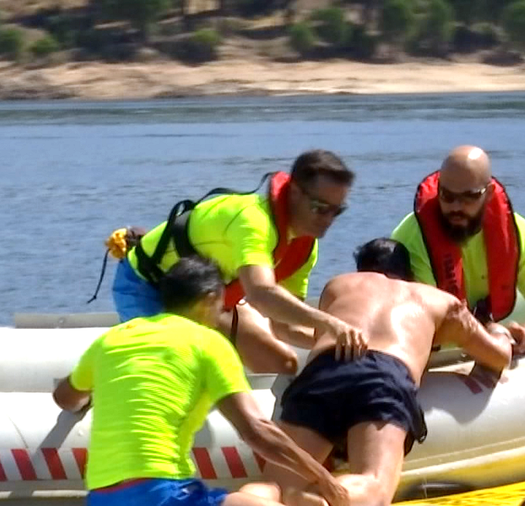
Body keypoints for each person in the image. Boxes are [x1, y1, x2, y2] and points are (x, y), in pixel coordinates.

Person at [53, 256, 347, 506]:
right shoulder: (209, 344)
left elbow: (65, 397)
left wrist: (91, 396)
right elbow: (257, 431)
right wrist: (323, 477)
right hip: (160, 503)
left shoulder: (112, 339)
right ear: (210, 298)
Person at [257, 238, 513, 506]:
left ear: (360, 271)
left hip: (325, 368)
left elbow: (322, 338)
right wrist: (500, 333)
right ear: (410, 275)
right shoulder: (440, 301)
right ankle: (328, 497)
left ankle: (249, 503)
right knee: (375, 483)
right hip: (384, 374)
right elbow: (497, 357)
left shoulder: (339, 285)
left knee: (275, 484)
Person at [111, 149, 368, 375]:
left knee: (284, 364)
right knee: (183, 371)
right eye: (320, 207)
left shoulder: (304, 247)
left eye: (337, 210)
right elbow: (260, 293)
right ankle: (86, 389)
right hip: (148, 286)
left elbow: (284, 326)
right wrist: (330, 323)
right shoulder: (253, 222)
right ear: (295, 193)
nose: (328, 218)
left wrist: (340, 343)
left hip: (208, 300)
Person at [387, 145, 525, 356]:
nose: (456, 207)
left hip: (486, 345)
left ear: (488, 194)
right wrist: (495, 335)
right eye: (447, 196)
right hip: (432, 357)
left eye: (469, 197)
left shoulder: (517, 231)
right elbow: (423, 322)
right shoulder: (411, 237)